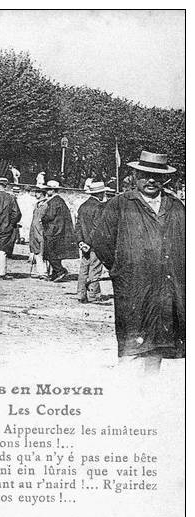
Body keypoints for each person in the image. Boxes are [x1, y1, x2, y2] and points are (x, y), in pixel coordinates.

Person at [90, 151, 185, 373]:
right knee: (132, 344)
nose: (151, 180)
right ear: (135, 175)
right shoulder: (121, 204)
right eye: (145, 175)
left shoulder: (176, 206)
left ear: (164, 179)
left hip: (166, 288)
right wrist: (121, 269)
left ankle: (149, 392)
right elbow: (102, 241)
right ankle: (126, 396)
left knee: (158, 344)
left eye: (157, 176)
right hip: (133, 287)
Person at [75, 181, 113, 303]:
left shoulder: (83, 206)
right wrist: (89, 243)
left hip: (84, 244)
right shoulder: (100, 207)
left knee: (83, 269)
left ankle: (81, 294)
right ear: (101, 193)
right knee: (95, 269)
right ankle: (94, 295)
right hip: (95, 244)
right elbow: (97, 228)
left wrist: (81, 242)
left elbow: (78, 226)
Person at [40, 180, 77, 282]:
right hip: (58, 230)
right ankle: (55, 273)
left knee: (51, 253)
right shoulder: (59, 200)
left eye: (48, 189)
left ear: (52, 190)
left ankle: (60, 271)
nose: (47, 191)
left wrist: (42, 218)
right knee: (55, 253)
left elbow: (49, 216)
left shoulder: (54, 201)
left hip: (54, 230)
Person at [28, 184, 50, 279]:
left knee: (42, 251)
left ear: (42, 193)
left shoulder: (46, 204)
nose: (36, 194)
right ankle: (40, 271)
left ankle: (44, 271)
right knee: (36, 251)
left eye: (37, 192)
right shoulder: (37, 204)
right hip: (34, 230)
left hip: (41, 231)